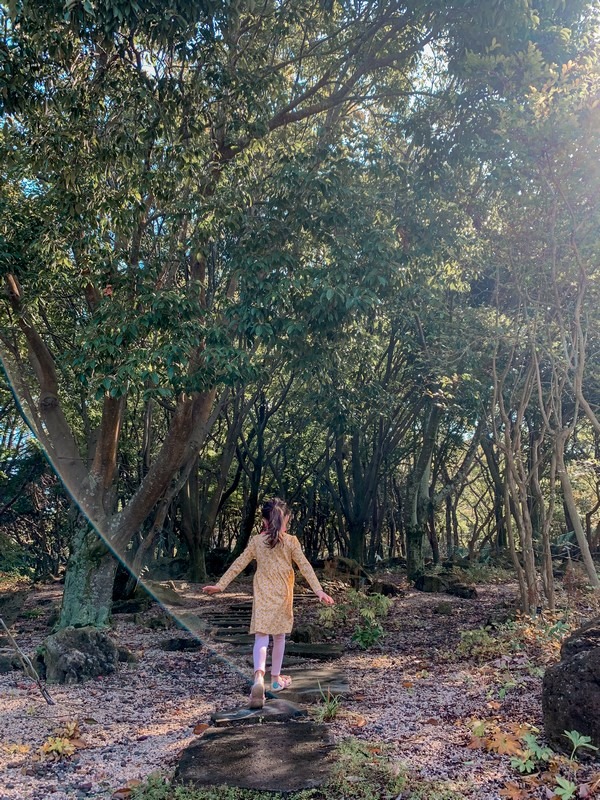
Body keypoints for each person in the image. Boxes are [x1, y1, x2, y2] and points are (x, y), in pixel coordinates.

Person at [202, 497, 334, 708]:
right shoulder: (291, 541)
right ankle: (275, 681)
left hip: (262, 593)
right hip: (283, 594)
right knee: (279, 637)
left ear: (264, 521)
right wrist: (318, 590)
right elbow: (305, 566)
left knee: (261, 638)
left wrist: (221, 585)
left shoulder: (256, 541)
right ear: (287, 519)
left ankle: (258, 678)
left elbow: (239, 563)